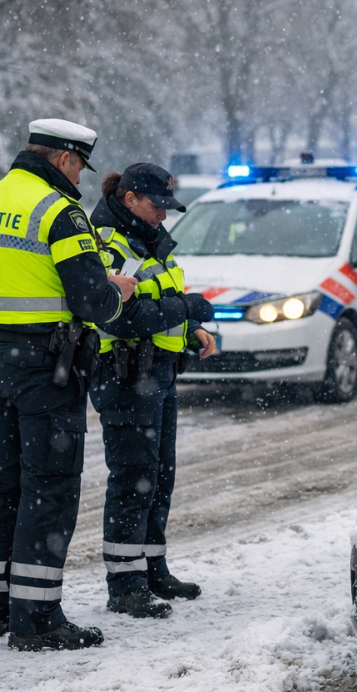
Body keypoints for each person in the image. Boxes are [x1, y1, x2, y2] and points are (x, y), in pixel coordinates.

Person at [0, 118, 138, 651]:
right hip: (47, 367)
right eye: (79, 166)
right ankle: (36, 621)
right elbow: (91, 301)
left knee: (7, 485)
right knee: (50, 487)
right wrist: (118, 290)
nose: (79, 178)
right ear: (63, 158)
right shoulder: (60, 212)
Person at [88, 163, 218, 618]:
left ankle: (152, 568)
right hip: (124, 376)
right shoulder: (108, 244)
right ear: (129, 199)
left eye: (167, 207)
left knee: (159, 476)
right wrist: (185, 307)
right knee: (133, 479)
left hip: (157, 372)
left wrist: (190, 328)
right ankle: (125, 585)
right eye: (156, 205)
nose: (163, 215)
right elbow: (120, 317)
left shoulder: (148, 238)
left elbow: (156, 300)